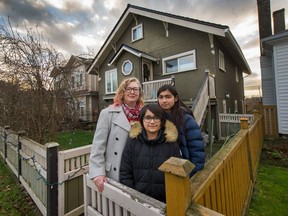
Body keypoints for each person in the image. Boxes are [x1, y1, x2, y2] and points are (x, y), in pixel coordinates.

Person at [89, 77, 144, 192]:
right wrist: (98, 173)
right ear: (122, 92)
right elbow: (98, 146)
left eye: (136, 89)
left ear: (140, 92)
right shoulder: (108, 113)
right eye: (128, 89)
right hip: (115, 172)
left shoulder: (145, 114)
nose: (132, 92)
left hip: (137, 171)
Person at [120, 103, 181, 203]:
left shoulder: (171, 143)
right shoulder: (133, 142)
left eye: (156, 118)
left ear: (161, 121)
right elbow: (125, 172)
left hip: (165, 201)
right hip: (138, 201)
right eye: (147, 118)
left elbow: (177, 175)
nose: (152, 122)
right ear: (142, 120)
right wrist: (133, 196)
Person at [157, 84, 205, 177]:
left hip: (183, 169)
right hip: (164, 169)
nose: (164, 101)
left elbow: (197, 149)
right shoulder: (156, 118)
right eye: (161, 97)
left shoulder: (186, 120)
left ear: (176, 98)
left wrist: (192, 173)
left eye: (168, 97)